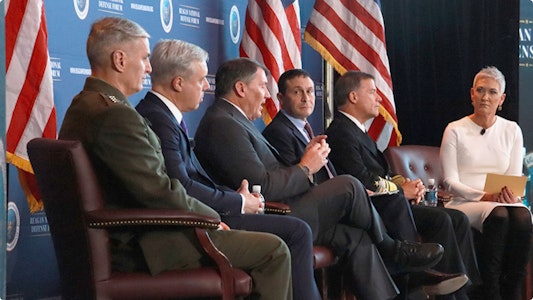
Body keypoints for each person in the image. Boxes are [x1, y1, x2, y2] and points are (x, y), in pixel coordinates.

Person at [58, 17, 293, 300]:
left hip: (131, 235)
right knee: (275, 250)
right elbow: (159, 191)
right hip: (144, 246)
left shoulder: (86, 103)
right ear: (119, 59)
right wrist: (211, 217)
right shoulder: (114, 115)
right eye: (144, 58)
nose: (148, 68)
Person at [194, 57, 445, 300]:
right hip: (270, 214)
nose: (267, 95)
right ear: (241, 88)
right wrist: (305, 168)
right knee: (349, 185)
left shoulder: (235, 120)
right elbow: (263, 187)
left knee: (354, 236)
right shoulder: (223, 123)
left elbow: (270, 173)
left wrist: (305, 161)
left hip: (289, 206)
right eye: (262, 86)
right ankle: (392, 249)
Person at [264, 69, 475, 299]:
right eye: (297, 92)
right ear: (281, 98)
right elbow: (351, 177)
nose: (306, 97)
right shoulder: (286, 132)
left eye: (309, 91)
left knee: (453, 218)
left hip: (349, 202)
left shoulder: (309, 131)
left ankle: (460, 289)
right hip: (325, 210)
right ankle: (411, 271)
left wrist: (403, 185)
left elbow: (378, 173)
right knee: (398, 202)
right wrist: (397, 189)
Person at [135, 39, 320, 300]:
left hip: (204, 214)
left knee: (312, 228)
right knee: (298, 230)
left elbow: (189, 180)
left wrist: (237, 196)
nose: (207, 86)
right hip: (189, 226)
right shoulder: (159, 119)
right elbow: (180, 185)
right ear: (178, 83)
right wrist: (237, 202)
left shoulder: (164, 117)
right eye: (201, 80)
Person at [440, 66, 533, 300]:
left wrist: (508, 194)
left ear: (501, 99)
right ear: (472, 93)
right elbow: (449, 181)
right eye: (480, 90)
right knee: (499, 215)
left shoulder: (511, 130)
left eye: (492, 92)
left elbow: (512, 177)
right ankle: (489, 291)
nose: (485, 97)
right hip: (463, 202)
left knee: (523, 217)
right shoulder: (455, 130)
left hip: (498, 201)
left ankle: (512, 291)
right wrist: (484, 196)